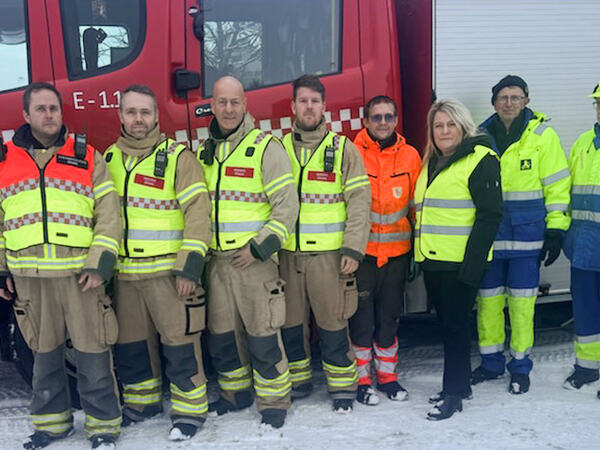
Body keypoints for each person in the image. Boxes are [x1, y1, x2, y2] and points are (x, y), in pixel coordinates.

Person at [0, 82, 122, 449]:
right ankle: (51, 425)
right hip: (30, 279)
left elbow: (109, 215)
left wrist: (100, 263)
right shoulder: (4, 160)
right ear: (25, 115)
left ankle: (103, 427)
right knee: (43, 357)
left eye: (54, 108)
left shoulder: (86, 155)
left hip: (80, 276)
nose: (49, 115)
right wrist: (2, 270)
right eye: (40, 109)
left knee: (93, 354)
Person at [104, 84, 212, 441]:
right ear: (120, 115)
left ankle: (190, 411)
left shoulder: (179, 157)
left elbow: (198, 213)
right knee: (133, 347)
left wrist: (189, 267)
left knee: (180, 345)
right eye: (131, 112)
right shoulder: (108, 159)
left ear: (155, 116)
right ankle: (142, 403)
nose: (138, 119)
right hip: (126, 277)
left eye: (145, 112)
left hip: (168, 275)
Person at [197, 76, 298, 429]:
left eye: (234, 102)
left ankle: (273, 402)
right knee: (223, 337)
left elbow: (287, 206)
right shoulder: (203, 151)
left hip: (254, 261)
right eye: (221, 102)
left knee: (264, 334)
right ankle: (234, 394)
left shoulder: (265, 147)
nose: (228, 109)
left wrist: (259, 249)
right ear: (212, 105)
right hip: (218, 262)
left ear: (245, 105)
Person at [474, 75, 571, 394]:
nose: (509, 103)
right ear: (494, 102)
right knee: (487, 304)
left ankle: (520, 367)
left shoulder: (542, 136)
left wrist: (556, 228)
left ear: (527, 100)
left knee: (522, 305)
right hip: (489, 239)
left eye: (516, 97)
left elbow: (557, 186)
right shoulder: (479, 135)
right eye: (503, 97)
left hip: (527, 240)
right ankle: (490, 364)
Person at [280, 74, 371, 413]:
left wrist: (353, 248)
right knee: (290, 325)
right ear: (292, 106)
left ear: (324, 106)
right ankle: (299, 381)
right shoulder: (278, 149)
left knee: (333, 324)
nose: (308, 107)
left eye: (314, 101)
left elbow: (360, 202)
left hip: (330, 257)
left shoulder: (342, 148)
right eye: (302, 101)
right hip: (288, 255)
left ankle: (343, 389)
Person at [414, 98, 503, 420]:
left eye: (450, 124)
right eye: (438, 125)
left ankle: (453, 394)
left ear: (463, 126)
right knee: (448, 325)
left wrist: (473, 267)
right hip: (434, 262)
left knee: (455, 328)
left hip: (460, 266)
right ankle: (460, 384)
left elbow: (490, 215)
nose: (444, 130)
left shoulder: (481, 158)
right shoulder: (432, 162)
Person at [349, 95, 421, 405]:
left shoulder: (410, 156)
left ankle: (388, 377)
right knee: (361, 319)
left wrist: (418, 249)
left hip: (396, 255)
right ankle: (362, 381)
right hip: (361, 255)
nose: (382, 122)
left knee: (389, 318)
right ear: (365, 121)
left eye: (388, 117)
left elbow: (417, 207)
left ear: (395, 120)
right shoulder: (350, 153)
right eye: (376, 117)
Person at [562, 81, 600, 395]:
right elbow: (568, 190)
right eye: (598, 103)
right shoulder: (584, 142)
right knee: (586, 309)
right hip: (585, 246)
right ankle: (586, 368)